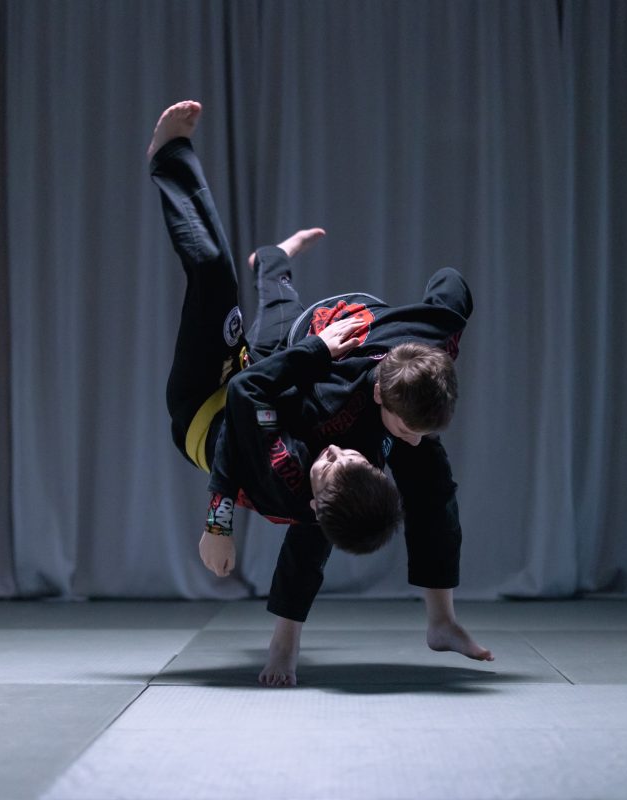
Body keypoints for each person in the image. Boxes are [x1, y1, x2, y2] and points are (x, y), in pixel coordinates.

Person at [148, 100, 493, 687]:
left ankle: (442, 618)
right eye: (399, 435)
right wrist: (327, 348)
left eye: (342, 457)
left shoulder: (296, 468)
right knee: (254, 314)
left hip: (210, 406)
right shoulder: (405, 362)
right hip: (282, 373)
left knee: (216, 281)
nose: (345, 451)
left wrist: (217, 521)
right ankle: (184, 173)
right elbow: (451, 289)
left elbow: (246, 404)